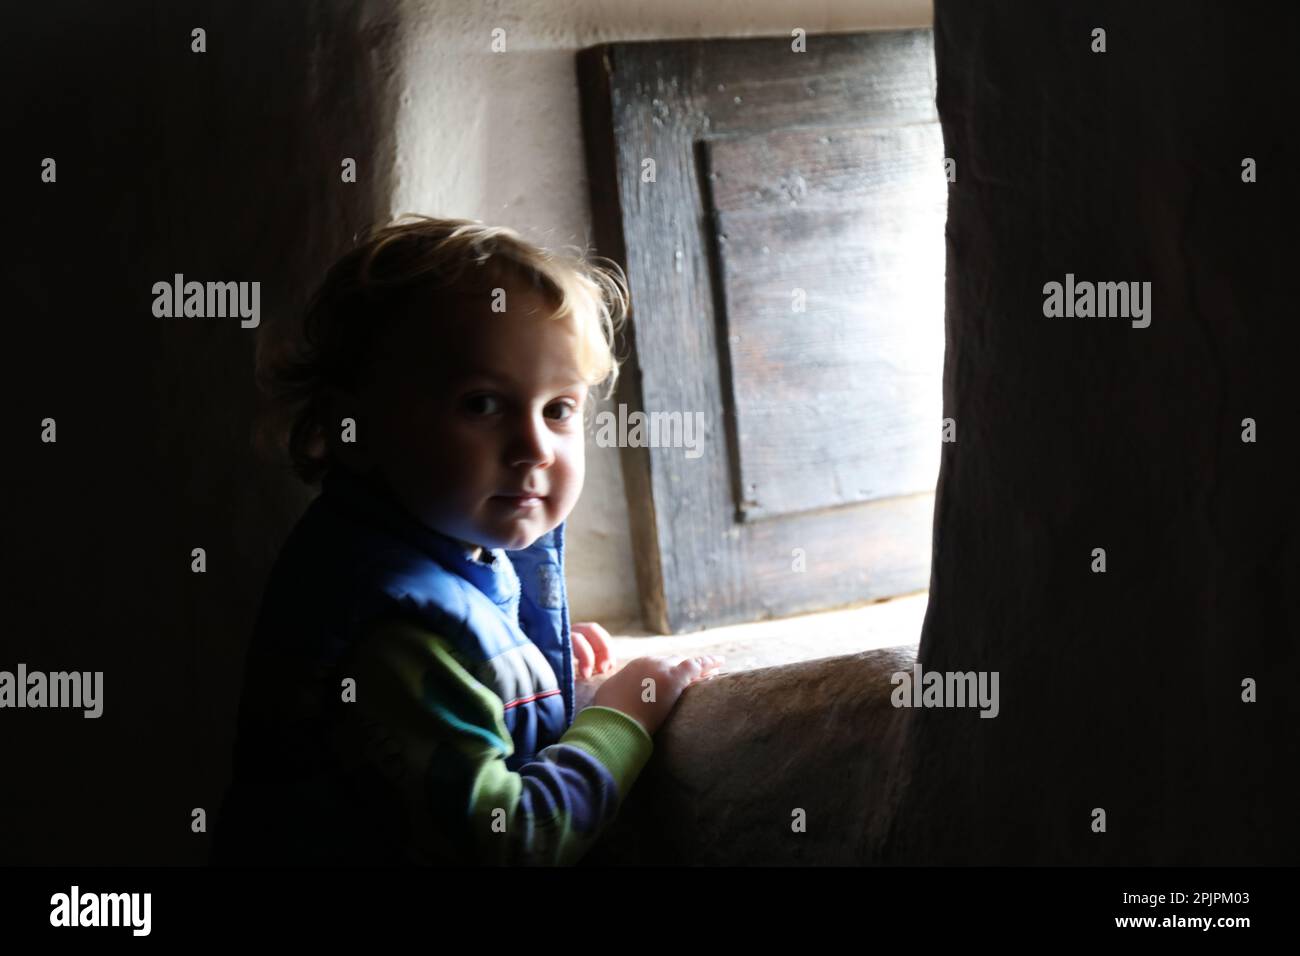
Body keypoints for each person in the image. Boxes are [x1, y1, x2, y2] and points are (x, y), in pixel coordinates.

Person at [211, 215, 723, 866]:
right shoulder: (394, 636)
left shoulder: (420, 548)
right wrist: (622, 715)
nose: (534, 446)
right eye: (482, 404)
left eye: (559, 408)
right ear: (356, 428)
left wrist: (526, 668)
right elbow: (515, 841)